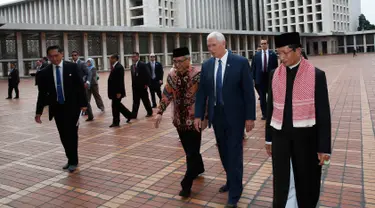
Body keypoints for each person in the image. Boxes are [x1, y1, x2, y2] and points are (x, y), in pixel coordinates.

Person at [265, 32, 331, 207]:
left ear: (298, 51)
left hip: (306, 141)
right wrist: (268, 138)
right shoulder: (274, 75)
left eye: (286, 52)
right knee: (283, 181)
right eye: (279, 53)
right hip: (280, 140)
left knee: (306, 181)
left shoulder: (316, 75)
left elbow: (323, 114)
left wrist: (324, 147)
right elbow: (270, 108)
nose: (282, 57)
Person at [194, 31, 256, 208]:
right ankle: (231, 180)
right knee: (223, 152)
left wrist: (250, 117)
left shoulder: (240, 63)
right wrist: (199, 115)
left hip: (236, 118)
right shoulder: (207, 65)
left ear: (223, 44)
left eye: (213, 45)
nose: (210, 49)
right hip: (217, 117)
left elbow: (248, 93)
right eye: (208, 46)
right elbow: (202, 94)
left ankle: (235, 194)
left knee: (235, 153)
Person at [155, 47, 206, 198]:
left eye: (179, 61)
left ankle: (186, 184)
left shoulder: (197, 74)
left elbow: (205, 97)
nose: (176, 64)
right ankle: (198, 168)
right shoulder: (172, 75)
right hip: (178, 121)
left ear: (188, 59)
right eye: (174, 62)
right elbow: (166, 94)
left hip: (194, 121)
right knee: (190, 151)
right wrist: (159, 112)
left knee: (191, 152)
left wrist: (205, 117)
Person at [35, 45, 87, 173]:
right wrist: (38, 112)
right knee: (63, 135)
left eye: (56, 55)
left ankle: (74, 161)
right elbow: (42, 94)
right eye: (51, 56)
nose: (54, 59)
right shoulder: (45, 72)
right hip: (57, 108)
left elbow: (80, 87)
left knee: (72, 134)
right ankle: (70, 159)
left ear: (62, 54)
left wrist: (84, 104)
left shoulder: (72, 67)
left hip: (72, 108)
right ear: (48, 57)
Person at [251, 39, 278, 120]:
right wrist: (253, 79)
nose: (263, 45)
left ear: (267, 44)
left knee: (271, 97)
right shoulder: (256, 55)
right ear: (260, 45)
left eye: (265, 43)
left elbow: (276, 67)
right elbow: (253, 68)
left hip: (270, 78)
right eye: (262, 44)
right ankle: (264, 114)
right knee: (262, 98)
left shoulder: (272, 54)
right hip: (260, 78)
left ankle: (271, 112)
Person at [108, 54, 132, 127]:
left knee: (115, 106)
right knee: (117, 105)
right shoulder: (114, 67)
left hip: (117, 91)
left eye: (110, 58)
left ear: (115, 59)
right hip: (114, 91)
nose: (109, 60)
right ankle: (129, 115)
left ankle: (116, 122)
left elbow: (120, 81)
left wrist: (119, 92)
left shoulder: (119, 67)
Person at [130, 52, 153, 118]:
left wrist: (147, 84)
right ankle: (134, 115)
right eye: (132, 57)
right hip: (135, 87)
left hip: (142, 86)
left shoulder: (143, 64)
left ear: (138, 57)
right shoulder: (132, 66)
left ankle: (149, 112)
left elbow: (148, 75)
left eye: (134, 56)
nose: (133, 58)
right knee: (135, 101)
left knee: (145, 100)